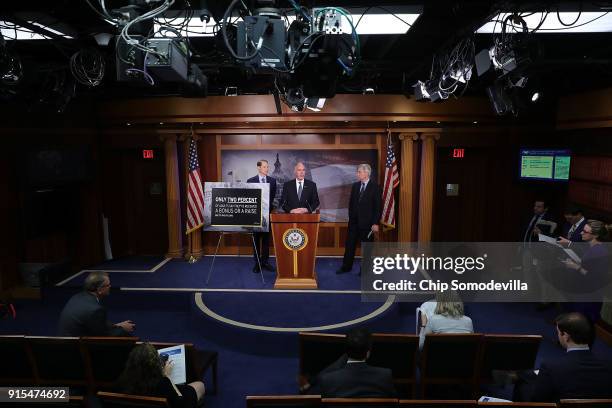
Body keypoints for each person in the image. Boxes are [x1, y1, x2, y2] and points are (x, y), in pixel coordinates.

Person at [512, 313, 612, 402]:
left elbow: (537, 400)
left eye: (558, 333)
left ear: (566, 336)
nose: (558, 336)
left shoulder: (551, 366)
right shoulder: (609, 365)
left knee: (523, 384)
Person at [301, 328, 396, 398]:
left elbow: (309, 400)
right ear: (368, 352)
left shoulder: (328, 380)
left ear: (346, 352)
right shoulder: (385, 376)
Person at [116, 343, 205, 408]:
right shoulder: (162, 384)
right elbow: (180, 401)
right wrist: (167, 376)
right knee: (200, 385)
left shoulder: (122, 380)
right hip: (175, 400)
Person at [561, 219, 610, 322]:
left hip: (588, 296)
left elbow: (594, 277)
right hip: (582, 290)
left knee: (581, 323)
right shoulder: (592, 246)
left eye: (585, 231)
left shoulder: (600, 252)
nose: (581, 233)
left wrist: (576, 267)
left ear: (595, 235)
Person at [58, 271, 135, 337]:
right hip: (79, 349)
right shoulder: (95, 310)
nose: (110, 286)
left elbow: (98, 325)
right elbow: (104, 336)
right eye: (108, 285)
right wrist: (122, 329)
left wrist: (117, 326)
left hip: (69, 341)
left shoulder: (77, 297)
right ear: (99, 290)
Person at [336, 164, 381, 274]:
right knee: (349, 246)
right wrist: (351, 218)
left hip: (367, 224)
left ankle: (365, 271)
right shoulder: (355, 186)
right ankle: (346, 267)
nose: (357, 174)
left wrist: (375, 223)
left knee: (366, 248)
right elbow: (351, 204)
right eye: (358, 172)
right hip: (354, 223)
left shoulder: (375, 187)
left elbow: (378, 207)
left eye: (359, 172)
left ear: (366, 173)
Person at [247, 159, 277, 273]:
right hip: (254, 216)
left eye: (267, 167)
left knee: (265, 240)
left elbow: (272, 197)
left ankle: (265, 262)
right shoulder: (250, 181)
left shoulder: (273, 181)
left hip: (267, 216)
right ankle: (257, 263)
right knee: (255, 240)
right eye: (265, 167)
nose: (267, 169)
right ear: (258, 168)